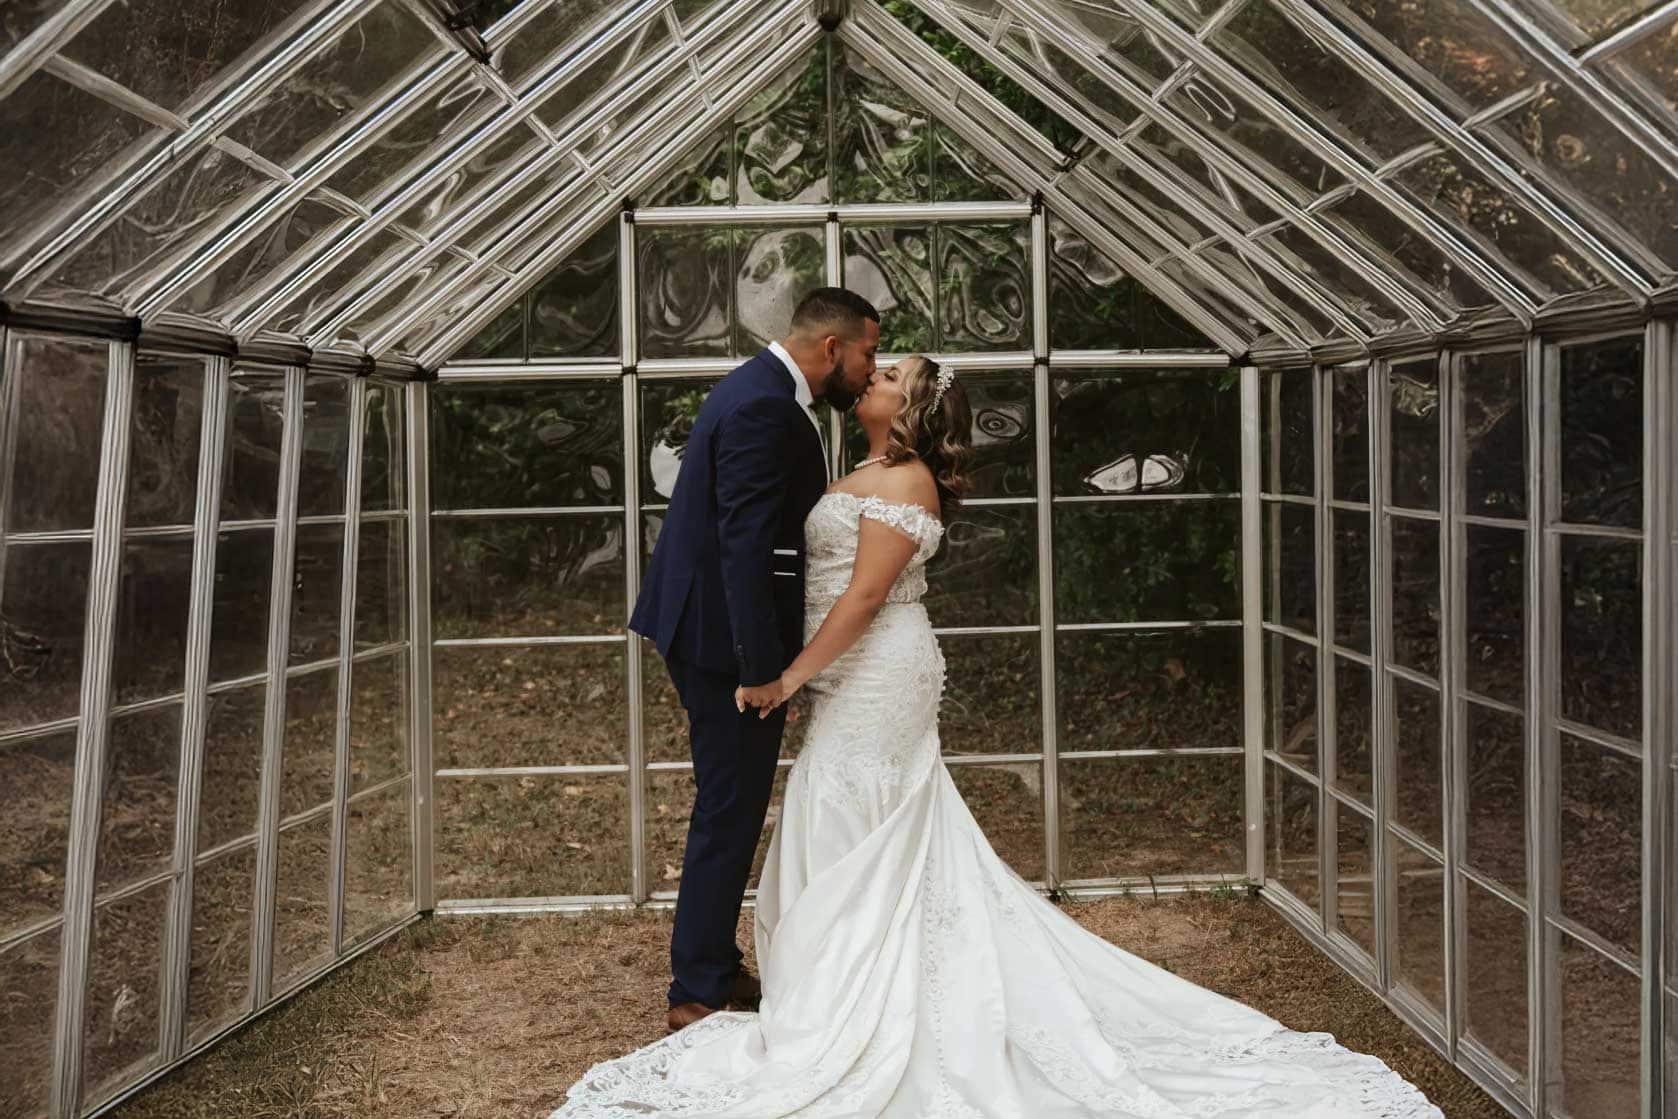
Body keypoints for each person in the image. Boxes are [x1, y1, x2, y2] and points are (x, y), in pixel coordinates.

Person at [582, 351, 1445, 1118]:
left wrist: (789, 675)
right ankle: (844, 983)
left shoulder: (910, 482)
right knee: (851, 817)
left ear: (913, 409)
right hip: (849, 676)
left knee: (858, 816)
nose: (873, 377)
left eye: (889, 376)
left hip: (879, 674)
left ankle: (875, 999)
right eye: (878, 368)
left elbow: (864, 598)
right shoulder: (865, 465)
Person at [628, 287, 880, 1032]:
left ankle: (708, 961)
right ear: (832, 348)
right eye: (868, 353)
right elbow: (745, 546)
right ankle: (696, 989)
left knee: (730, 804)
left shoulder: (760, 389)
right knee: (729, 807)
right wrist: (760, 667)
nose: (872, 370)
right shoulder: (767, 405)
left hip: (709, 628)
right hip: (717, 639)